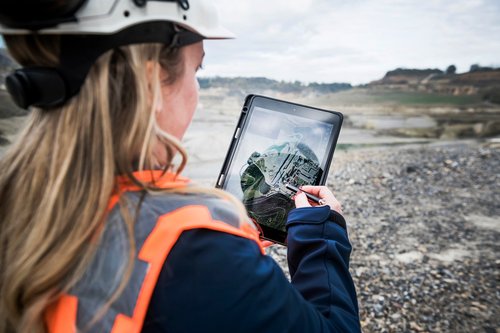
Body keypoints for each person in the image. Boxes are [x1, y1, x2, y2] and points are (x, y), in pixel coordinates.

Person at [0, 0, 360, 332]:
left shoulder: (14, 195)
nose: (196, 88)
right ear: (151, 79)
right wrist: (319, 235)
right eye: (197, 68)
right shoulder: (198, 250)